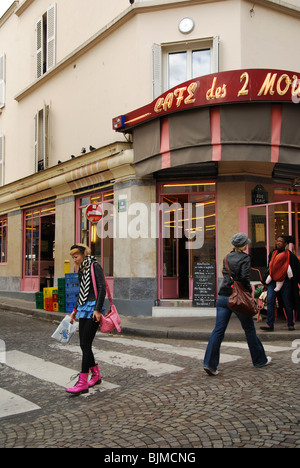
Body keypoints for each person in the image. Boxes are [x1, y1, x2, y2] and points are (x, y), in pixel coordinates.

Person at [203, 233, 271, 376]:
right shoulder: (245, 258)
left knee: (218, 331)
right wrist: (248, 293)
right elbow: (244, 278)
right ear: (244, 245)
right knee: (249, 330)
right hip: (238, 299)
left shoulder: (226, 257)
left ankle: (209, 363)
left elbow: (225, 274)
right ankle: (259, 360)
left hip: (223, 296)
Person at [66, 243, 106, 395]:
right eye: (73, 257)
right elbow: (82, 291)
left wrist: (97, 309)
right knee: (84, 345)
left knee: (85, 344)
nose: (74, 260)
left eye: (76, 257)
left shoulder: (95, 266)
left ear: (83, 255)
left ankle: (83, 382)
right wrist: (75, 310)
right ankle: (95, 375)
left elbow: (102, 288)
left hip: (93, 309)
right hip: (83, 308)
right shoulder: (82, 269)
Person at [261, 235, 300, 332]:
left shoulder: (290, 256)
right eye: (277, 241)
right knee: (270, 301)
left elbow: (295, 270)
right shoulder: (272, 253)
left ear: (286, 244)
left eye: (281, 241)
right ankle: (270, 325)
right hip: (273, 281)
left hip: (285, 281)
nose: (278, 243)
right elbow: (269, 266)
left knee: (287, 302)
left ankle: (290, 324)